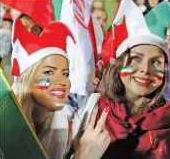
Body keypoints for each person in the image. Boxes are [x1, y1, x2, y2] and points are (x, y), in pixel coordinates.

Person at [93, 0, 170, 158]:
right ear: (119, 64)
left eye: (155, 62)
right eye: (135, 58)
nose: (146, 70)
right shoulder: (93, 113)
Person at [10, 18, 110, 159]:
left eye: (65, 73)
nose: (63, 81)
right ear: (25, 79)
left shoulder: (70, 124)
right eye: (48, 72)